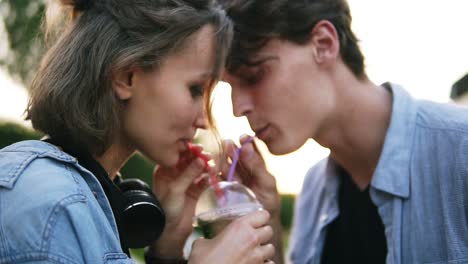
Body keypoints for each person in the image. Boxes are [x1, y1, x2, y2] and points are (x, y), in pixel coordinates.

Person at [0, 0, 275, 263]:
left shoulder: (82, 198)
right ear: (125, 77)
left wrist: (167, 250)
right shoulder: (53, 206)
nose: (204, 120)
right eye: (195, 90)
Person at [218, 0, 468, 263]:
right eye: (230, 87)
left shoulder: (460, 150)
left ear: (323, 44)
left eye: (254, 75)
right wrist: (268, 236)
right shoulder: (314, 189)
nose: (237, 107)